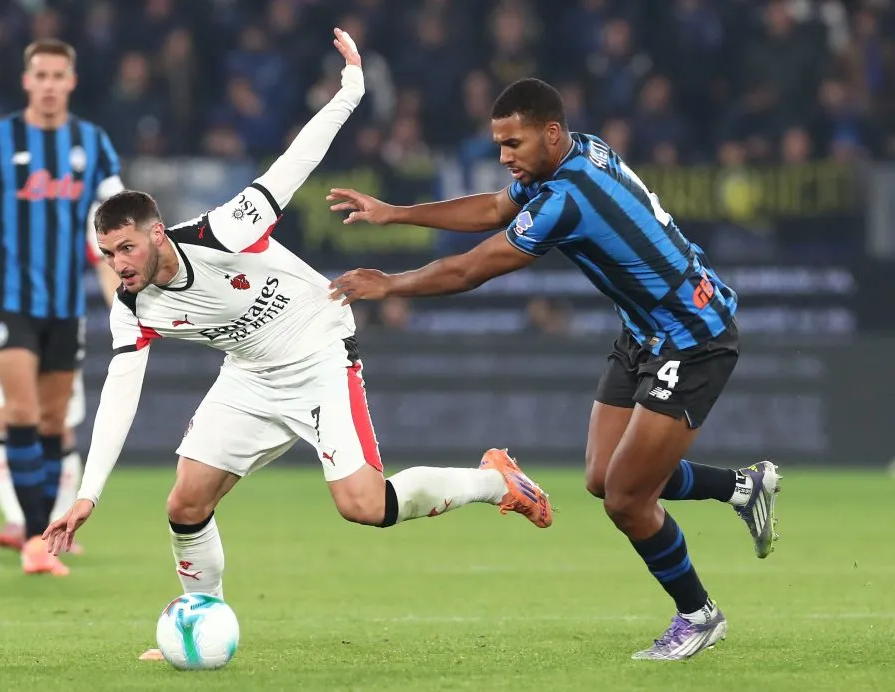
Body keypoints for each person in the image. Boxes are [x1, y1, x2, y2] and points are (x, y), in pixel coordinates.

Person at [42, 30, 552, 662]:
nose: (118, 265)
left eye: (126, 249)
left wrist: (350, 92)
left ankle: (492, 480)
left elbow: (293, 163)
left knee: (364, 506)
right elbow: (121, 394)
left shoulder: (223, 231)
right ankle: (201, 619)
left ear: (155, 234)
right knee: (185, 501)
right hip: (250, 373)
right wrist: (88, 495)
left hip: (317, 351)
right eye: (108, 255)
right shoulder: (133, 305)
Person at [326, 77, 782, 661]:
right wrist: (394, 215)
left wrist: (391, 284)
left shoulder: (568, 197)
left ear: (550, 133)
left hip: (692, 337)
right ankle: (743, 487)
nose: (503, 156)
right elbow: (493, 208)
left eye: (513, 144)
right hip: (643, 333)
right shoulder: (578, 152)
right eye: (499, 144)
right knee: (603, 478)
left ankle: (698, 614)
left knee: (625, 499)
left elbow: (473, 270)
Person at [0, 39, 125, 576]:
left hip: (63, 306)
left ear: (72, 81)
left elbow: (119, 218)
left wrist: (131, 285)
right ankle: (36, 540)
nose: (50, 84)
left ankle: (42, 530)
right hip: (7, 302)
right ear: (27, 80)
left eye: (59, 74)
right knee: (18, 412)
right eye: (41, 74)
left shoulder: (92, 143)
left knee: (53, 420)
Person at [0, 201, 120, 551]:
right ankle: (19, 521)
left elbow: (104, 258)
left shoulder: (79, 190)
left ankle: (58, 523)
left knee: (56, 423)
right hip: (5, 315)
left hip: (60, 319)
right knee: (6, 418)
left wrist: (121, 309)